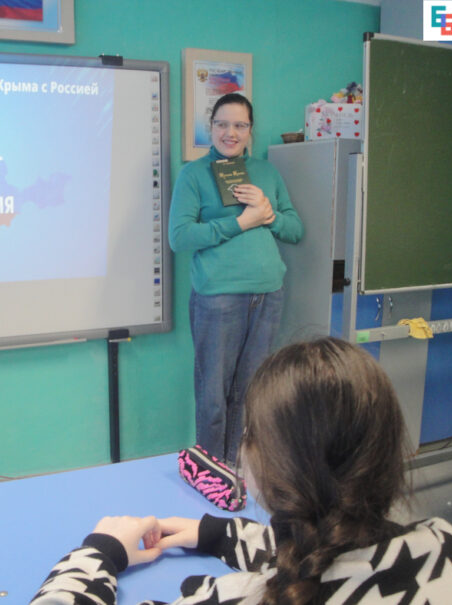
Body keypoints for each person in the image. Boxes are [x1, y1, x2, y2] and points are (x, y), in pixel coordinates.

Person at [30, 338, 452, 603]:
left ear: (273, 469)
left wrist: (101, 551)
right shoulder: (446, 545)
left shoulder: (240, 598)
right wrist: (218, 534)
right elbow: (334, 550)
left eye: (249, 434)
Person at [168, 93, 303, 481]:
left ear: (250, 130)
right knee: (213, 393)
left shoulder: (266, 173)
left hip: (268, 294)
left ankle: (237, 467)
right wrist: (241, 222)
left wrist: (267, 212)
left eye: (240, 125)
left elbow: (295, 230)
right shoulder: (193, 175)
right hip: (218, 298)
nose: (231, 133)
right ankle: (211, 473)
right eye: (222, 124)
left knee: (251, 391)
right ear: (210, 128)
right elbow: (180, 237)